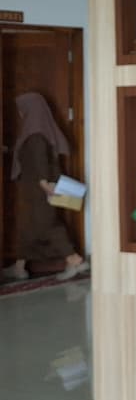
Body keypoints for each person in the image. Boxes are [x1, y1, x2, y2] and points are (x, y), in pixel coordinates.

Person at [2, 93, 86, 282]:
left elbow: (40, 161)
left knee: (48, 226)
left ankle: (74, 259)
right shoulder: (37, 131)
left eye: (23, 109)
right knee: (28, 228)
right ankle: (19, 267)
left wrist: (44, 184)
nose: (21, 114)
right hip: (34, 190)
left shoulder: (35, 135)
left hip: (41, 189)